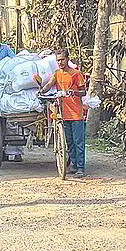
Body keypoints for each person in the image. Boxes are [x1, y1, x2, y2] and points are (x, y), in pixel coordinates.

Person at [40, 48, 87, 177]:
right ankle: (73, 165)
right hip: (62, 112)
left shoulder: (76, 74)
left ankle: (81, 168)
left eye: (62, 60)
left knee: (78, 142)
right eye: (58, 60)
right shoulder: (57, 74)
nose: (60, 62)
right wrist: (41, 91)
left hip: (76, 113)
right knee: (69, 142)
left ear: (67, 59)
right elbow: (49, 85)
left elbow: (84, 92)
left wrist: (74, 92)